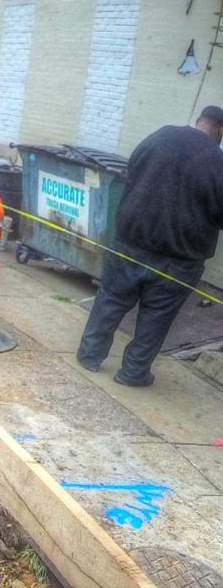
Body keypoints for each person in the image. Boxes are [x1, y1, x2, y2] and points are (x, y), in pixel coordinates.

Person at [77, 108, 223, 387]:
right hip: (180, 259)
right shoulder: (218, 161)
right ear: (220, 131)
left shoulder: (160, 136)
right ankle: (133, 373)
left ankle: (89, 355)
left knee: (110, 301)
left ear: (198, 121)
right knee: (156, 318)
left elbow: (130, 172)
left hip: (130, 243)